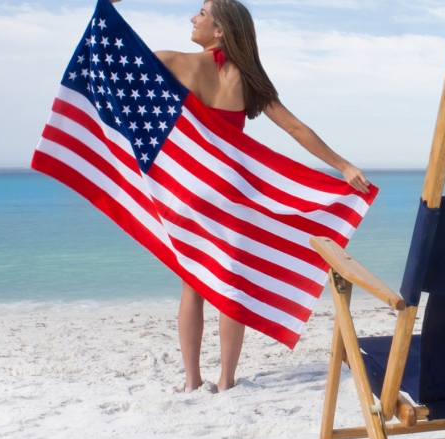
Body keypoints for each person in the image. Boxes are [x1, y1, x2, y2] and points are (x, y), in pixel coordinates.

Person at [113, 0, 370, 393]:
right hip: (229, 192)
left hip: (189, 191)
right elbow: (296, 129)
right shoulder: (249, 79)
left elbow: (118, 62)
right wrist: (343, 165)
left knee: (192, 285)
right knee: (230, 284)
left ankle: (192, 380)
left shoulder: (174, 62)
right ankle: (227, 380)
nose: (193, 18)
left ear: (219, 30)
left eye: (201, 13)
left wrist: (107, 10)